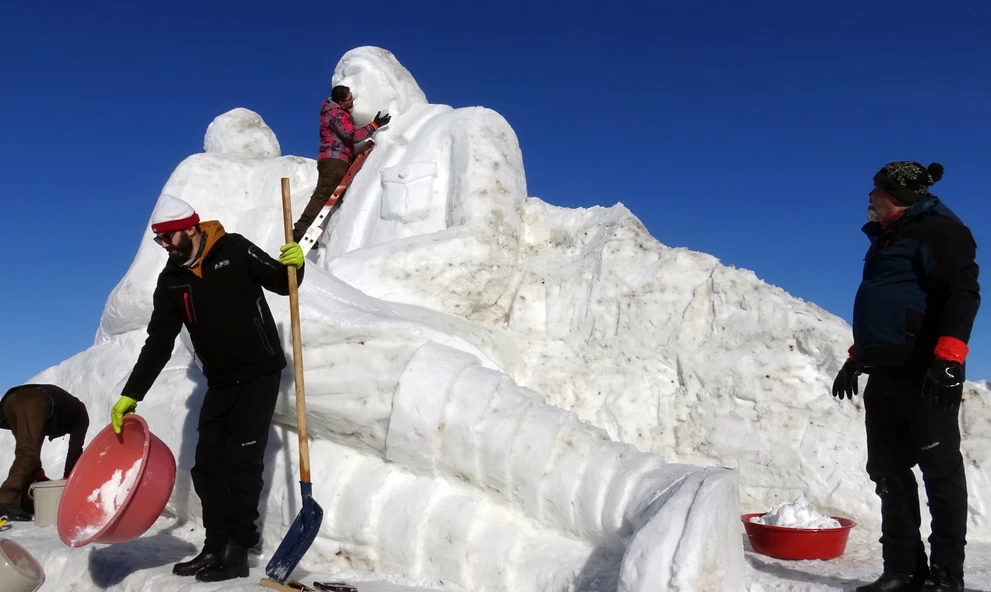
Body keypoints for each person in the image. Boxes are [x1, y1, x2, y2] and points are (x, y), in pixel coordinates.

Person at [110, 195, 305, 583]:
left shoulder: (234, 249)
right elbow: (158, 342)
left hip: (259, 372)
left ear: (191, 229)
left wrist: (295, 265)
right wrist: (132, 392)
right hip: (220, 380)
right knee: (207, 467)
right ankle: (215, 546)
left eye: (167, 238)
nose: (164, 247)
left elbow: (286, 285)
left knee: (244, 463)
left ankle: (237, 551)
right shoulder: (171, 280)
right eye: (159, 241)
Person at [833, 161, 980, 592]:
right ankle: (902, 569)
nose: (869, 198)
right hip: (885, 371)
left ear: (897, 195)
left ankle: (946, 577)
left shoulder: (941, 231)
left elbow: (962, 292)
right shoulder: (888, 239)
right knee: (888, 472)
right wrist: (856, 357)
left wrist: (950, 354)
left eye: (875, 191)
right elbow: (889, 307)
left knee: (940, 472)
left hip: (927, 370)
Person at [291, 84, 391, 243]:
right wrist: (374, 125)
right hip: (335, 160)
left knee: (325, 195)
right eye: (350, 98)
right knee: (323, 194)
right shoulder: (337, 114)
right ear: (342, 103)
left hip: (333, 159)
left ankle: (307, 229)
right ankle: (301, 229)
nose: (353, 100)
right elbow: (353, 135)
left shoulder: (334, 113)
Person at [0, 384, 89, 520]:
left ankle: (23, 502)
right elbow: (75, 450)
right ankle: (6, 500)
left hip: (10, 401)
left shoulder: (57, 411)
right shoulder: (81, 415)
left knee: (28, 451)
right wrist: (68, 479)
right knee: (27, 452)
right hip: (32, 399)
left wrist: (39, 474)